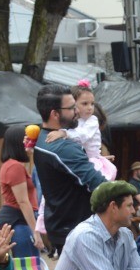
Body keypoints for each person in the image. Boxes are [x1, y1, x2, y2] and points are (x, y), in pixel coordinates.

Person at [33, 84, 108, 255]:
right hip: (77, 230)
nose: (77, 111)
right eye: (71, 107)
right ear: (55, 114)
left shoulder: (42, 139)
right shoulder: (63, 148)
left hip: (63, 227)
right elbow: (98, 184)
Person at [0, 125, 41, 258]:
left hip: (19, 220)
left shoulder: (12, 165)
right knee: (28, 267)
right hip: (18, 220)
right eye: (27, 140)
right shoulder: (14, 167)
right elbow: (22, 201)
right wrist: (35, 232)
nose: (30, 143)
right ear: (19, 142)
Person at [63, 81, 116, 181]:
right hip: (78, 160)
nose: (90, 108)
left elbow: (83, 136)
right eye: (85, 104)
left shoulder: (92, 120)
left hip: (91, 162)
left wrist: (63, 133)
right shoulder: (71, 121)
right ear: (72, 104)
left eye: (92, 104)